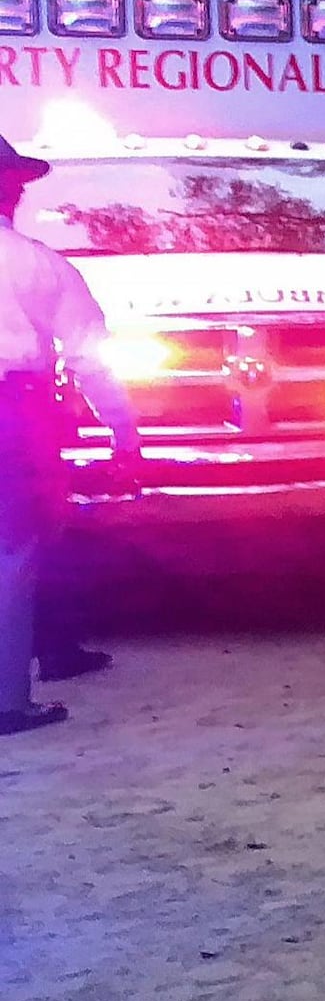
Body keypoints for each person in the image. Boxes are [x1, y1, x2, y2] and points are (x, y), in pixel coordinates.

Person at [0, 141, 137, 732]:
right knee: (18, 550)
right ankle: (9, 700)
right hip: (15, 415)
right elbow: (91, 358)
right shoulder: (39, 264)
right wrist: (124, 435)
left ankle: (53, 649)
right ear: (12, 189)